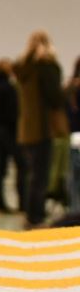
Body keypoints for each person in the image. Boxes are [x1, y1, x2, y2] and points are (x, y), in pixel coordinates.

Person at [14, 31, 64, 228]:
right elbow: (55, 98)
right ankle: (37, 217)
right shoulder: (46, 67)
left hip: (27, 130)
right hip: (43, 129)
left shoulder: (23, 68)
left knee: (31, 174)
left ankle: (31, 214)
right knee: (41, 176)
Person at [0, 59, 26, 213]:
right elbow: (13, 112)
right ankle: (23, 202)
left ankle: (0, 202)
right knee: (22, 165)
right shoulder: (8, 88)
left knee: (0, 168)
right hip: (10, 131)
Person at [65, 58, 80, 214]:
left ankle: (74, 212)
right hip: (76, 136)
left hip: (73, 136)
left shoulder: (69, 87)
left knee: (75, 178)